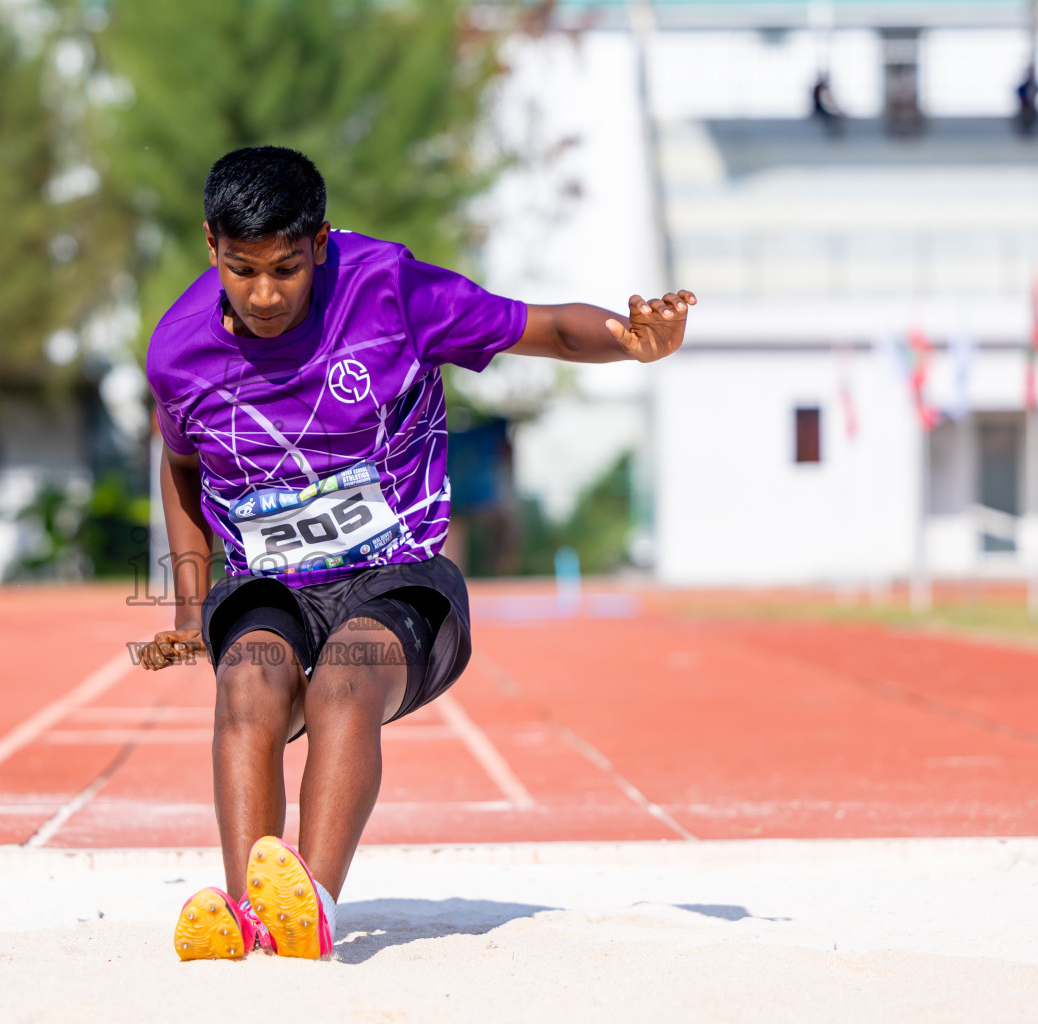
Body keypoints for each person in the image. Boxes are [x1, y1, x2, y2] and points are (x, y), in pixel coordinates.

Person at [139, 146, 695, 961]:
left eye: (286, 269)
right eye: (241, 269)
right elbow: (182, 466)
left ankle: (313, 907)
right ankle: (248, 912)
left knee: (344, 681)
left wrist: (629, 339)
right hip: (269, 583)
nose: (263, 295)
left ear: (320, 244)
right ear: (209, 246)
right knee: (248, 681)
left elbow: (543, 329)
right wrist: (190, 606)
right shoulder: (178, 352)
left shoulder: (392, 292)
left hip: (399, 579)